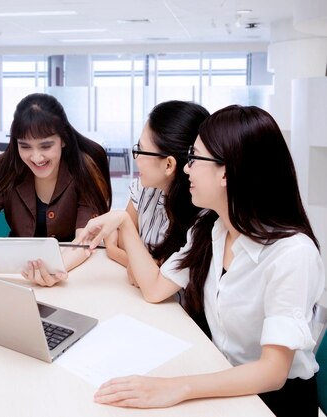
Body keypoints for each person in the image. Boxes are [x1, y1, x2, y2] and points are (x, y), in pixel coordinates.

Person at [76, 105, 324, 417]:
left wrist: (177, 387)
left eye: (195, 158)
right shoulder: (210, 227)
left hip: (272, 402)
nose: (187, 168)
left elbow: (272, 372)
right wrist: (124, 224)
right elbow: (154, 288)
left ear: (227, 171)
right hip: (220, 380)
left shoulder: (292, 254)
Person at [0, 93, 112, 287]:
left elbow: (84, 240)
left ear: (63, 139)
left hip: (73, 274)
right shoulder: (8, 167)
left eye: (46, 146)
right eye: (25, 146)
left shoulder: (84, 168)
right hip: (17, 278)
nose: (36, 157)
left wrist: (57, 269)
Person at [105, 101, 209, 276]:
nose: (136, 158)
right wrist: (142, 264)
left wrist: (117, 253)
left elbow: (159, 277)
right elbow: (122, 238)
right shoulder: (145, 187)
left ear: (168, 165)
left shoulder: (203, 216)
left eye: (141, 150)